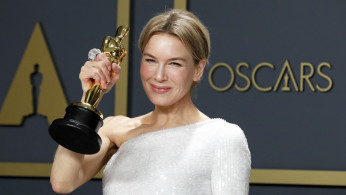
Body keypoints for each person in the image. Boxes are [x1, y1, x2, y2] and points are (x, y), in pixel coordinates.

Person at [50, 9, 251, 194]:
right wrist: (90, 97)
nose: (159, 75)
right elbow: (62, 182)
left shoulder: (222, 137)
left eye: (174, 63)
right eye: (151, 60)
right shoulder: (114, 130)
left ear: (198, 69)